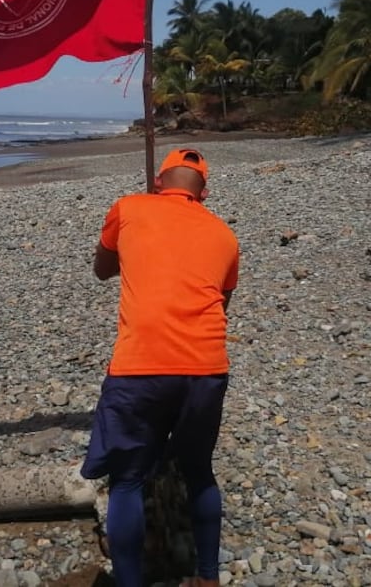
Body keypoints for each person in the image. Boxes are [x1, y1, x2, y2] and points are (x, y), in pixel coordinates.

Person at [81, 147, 240, 587]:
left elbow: (102, 269)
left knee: (128, 480)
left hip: (140, 367)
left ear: (158, 182)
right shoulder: (225, 235)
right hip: (206, 368)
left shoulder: (129, 207)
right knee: (199, 471)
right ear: (204, 192)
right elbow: (221, 304)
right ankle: (208, 578)